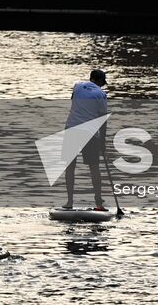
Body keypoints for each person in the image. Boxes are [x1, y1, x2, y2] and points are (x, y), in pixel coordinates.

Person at [64, 69, 109, 210]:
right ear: (100, 81)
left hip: (71, 129)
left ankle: (69, 202)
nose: (102, 86)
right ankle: (98, 203)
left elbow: (73, 100)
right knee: (94, 167)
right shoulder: (101, 94)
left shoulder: (77, 86)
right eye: (103, 83)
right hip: (90, 133)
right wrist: (102, 142)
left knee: (70, 167)